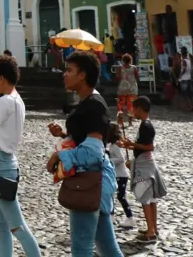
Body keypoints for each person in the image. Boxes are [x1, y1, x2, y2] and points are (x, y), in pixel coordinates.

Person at [45, 51, 122, 257]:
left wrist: (59, 156)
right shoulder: (87, 103)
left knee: (81, 249)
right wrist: (63, 134)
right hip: (95, 183)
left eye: (69, 70)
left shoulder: (93, 105)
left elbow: (93, 151)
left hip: (89, 182)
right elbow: (84, 138)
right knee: (108, 248)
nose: (64, 74)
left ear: (83, 75)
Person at [0, 53, 42, 257]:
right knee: (1, 225)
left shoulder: (5, 101)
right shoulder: (15, 100)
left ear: (2, 78)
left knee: (16, 226)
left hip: (1, 165)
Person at [124, 96, 167, 244]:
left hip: (145, 166)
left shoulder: (146, 126)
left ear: (140, 109)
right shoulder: (145, 125)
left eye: (134, 108)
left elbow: (149, 147)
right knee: (152, 199)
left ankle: (150, 232)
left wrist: (132, 145)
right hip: (145, 162)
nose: (132, 111)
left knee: (145, 198)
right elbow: (142, 144)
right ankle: (153, 227)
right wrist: (129, 145)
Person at [107, 122, 135, 230]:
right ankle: (111, 215)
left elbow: (121, 159)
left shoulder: (115, 147)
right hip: (116, 175)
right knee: (111, 194)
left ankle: (130, 217)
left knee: (121, 197)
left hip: (121, 175)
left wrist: (108, 160)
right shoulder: (113, 146)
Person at [116, 54, 139, 124]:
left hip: (122, 89)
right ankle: (130, 122)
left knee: (120, 105)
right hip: (132, 89)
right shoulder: (134, 67)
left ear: (123, 60)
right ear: (130, 60)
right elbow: (137, 77)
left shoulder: (120, 68)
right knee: (131, 105)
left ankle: (120, 121)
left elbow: (118, 77)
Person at [177, 47, 193, 112]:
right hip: (189, 78)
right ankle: (190, 106)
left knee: (185, 94)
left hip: (184, 79)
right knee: (188, 94)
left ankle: (189, 106)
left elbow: (183, 69)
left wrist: (179, 77)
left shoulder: (183, 61)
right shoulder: (189, 61)